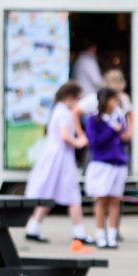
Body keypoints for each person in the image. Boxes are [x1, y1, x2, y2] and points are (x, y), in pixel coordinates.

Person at [23, 82, 92, 244]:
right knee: (72, 193)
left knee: (50, 193)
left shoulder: (57, 110)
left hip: (54, 156)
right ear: (70, 97)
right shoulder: (63, 113)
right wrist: (78, 142)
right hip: (61, 158)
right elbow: (64, 136)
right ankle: (79, 232)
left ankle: (33, 227)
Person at [83, 88, 128, 249]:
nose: (115, 103)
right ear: (105, 100)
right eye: (113, 99)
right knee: (101, 200)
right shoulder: (93, 120)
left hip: (118, 163)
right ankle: (100, 235)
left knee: (115, 200)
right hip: (101, 163)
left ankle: (112, 235)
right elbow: (94, 143)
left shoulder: (118, 117)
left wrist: (122, 132)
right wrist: (111, 130)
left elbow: (124, 138)